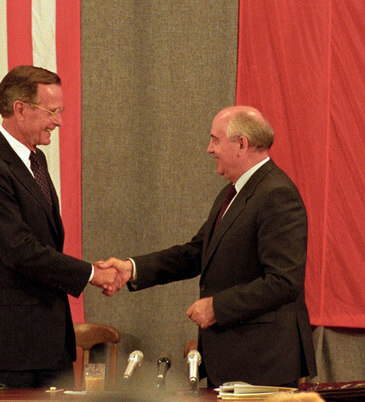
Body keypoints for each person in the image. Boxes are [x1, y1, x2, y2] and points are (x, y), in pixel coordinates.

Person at [99, 106, 316, 388]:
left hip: (263, 363)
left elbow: (284, 282)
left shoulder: (276, 193)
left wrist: (217, 306)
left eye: (215, 140)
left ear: (241, 144)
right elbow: (197, 252)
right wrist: (132, 269)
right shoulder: (235, 191)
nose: (209, 149)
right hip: (235, 359)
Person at [0, 65, 122, 389]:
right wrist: (91, 273)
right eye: (53, 111)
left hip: (45, 346)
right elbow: (20, 251)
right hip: (7, 349)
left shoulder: (35, 160)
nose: (59, 121)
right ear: (20, 109)